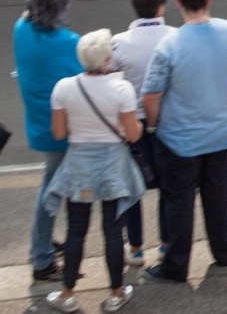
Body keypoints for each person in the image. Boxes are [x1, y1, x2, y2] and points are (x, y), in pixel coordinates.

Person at [141, 0, 227, 283]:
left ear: (178, 3)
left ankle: (176, 265)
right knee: (218, 197)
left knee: (179, 202)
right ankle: (224, 253)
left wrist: (154, 125)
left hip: (180, 139)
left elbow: (151, 95)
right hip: (223, 133)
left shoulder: (169, 45)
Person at [43, 29, 144, 313]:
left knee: (76, 230)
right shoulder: (121, 89)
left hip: (79, 167)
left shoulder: (63, 87)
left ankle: (67, 294)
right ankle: (115, 292)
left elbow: (59, 131)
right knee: (113, 231)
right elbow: (134, 134)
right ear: (107, 58)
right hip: (112, 166)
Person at [13, 0, 83, 282]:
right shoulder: (68, 42)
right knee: (54, 192)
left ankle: (43, 243)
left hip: (39, 121)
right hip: (64, 127)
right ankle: (41, 258)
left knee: (50, 184)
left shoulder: (21, 28)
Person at [110, 0, 176, 268]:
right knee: (168, 187)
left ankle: (135, 247)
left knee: (133, 186)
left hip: (132, 126)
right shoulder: (176, 37)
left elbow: (108, 81)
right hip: (168, 122)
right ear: (161, 6)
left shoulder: (119, 42)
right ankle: (165, 243)